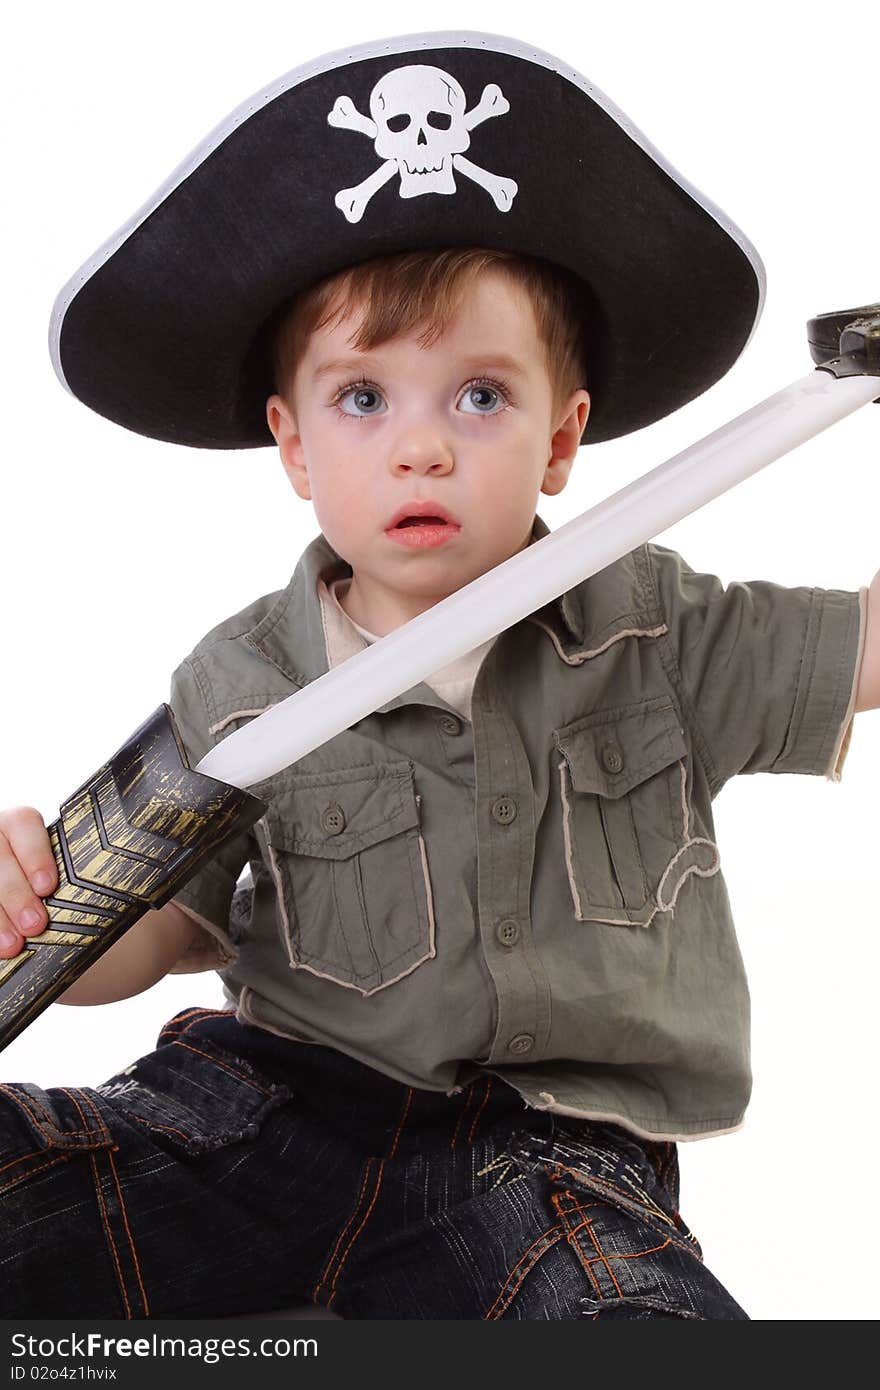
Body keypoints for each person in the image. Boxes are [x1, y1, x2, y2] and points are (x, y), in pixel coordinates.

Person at [0, 32, 875, 1320]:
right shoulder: (241, 675)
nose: (420, 448)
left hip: (554, 1164)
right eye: (363, 400)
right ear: (292, 446)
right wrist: (51, 924)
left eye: (477, 396)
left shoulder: (662, 627)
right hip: (255, 1120)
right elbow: (160, 940)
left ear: (563, 436)